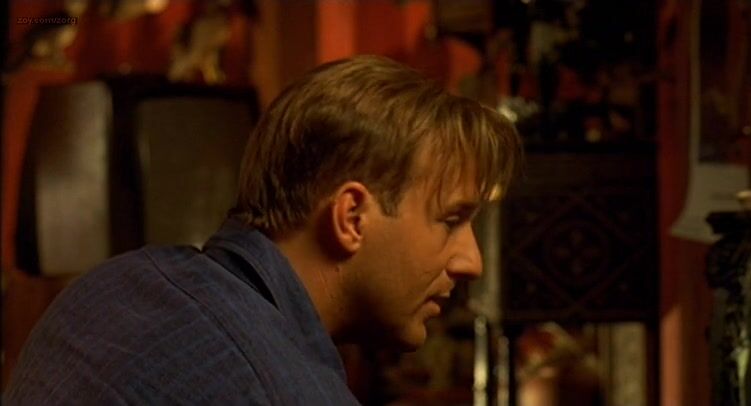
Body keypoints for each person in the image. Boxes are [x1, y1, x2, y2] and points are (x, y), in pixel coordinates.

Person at [5, 55, 522, 404]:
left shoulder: (112, 284)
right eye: (451, 220)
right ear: (352, 218)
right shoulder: (288, 392)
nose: (471, 261)